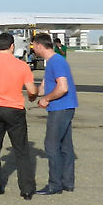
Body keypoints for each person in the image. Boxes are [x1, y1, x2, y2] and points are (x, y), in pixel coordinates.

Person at [0, 32, 38, 200]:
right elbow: (32, 90)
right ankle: (26, 190)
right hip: (15, 110)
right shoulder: (22, 66)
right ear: (13, 46)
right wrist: (34, 96)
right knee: (22, 151)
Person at [31, 32, 79, 195]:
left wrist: (46, 99)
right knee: (65, 146)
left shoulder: (56, 61)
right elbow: (44, 87)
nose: (33, 50)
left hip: (60, 107)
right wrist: (33, 93)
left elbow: (62, 87)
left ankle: (54, 184)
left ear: (39, 45)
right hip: (65, 107)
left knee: (51, 146)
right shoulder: (54, 61)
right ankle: (67, 182)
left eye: (33, 46)